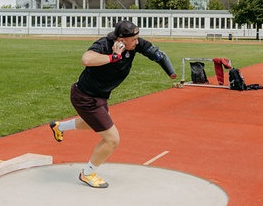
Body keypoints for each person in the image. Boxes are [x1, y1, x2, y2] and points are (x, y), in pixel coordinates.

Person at [49, 20, 176, 188]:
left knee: (91, 124)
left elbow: (158, 54)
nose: (137, 42)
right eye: (134, 40)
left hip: (100, 97)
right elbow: (86, 59)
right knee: (112, 139)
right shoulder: (105, 44)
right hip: (85, 97)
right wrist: (113, 57)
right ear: (121, 40)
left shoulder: (134, 44)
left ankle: (59, 127)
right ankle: (87, 173)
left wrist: (171, 72)